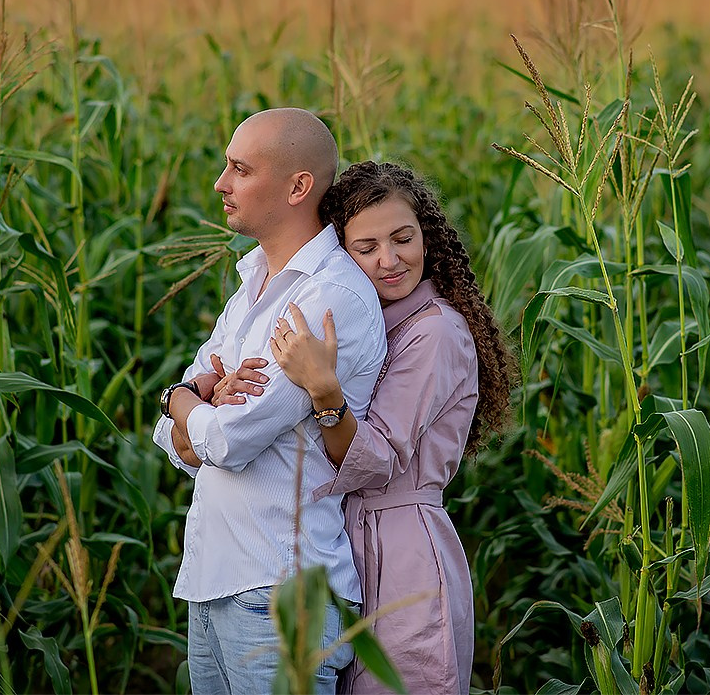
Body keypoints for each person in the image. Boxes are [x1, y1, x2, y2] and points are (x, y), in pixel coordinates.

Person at [212, 161, 512, 694]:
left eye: (403, 238)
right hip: (348, 545)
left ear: (429, 235)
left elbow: (374, 463)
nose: (389, 261)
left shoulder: (436, 331)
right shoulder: (372, 320)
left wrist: (323, 388)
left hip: (401, 554)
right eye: (366, 248)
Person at [152, 109, 387, 695]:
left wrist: (182, 402)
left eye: (240, 169)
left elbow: (230, 441)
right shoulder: (253, 280)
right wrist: (186, 402)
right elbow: (182, 435)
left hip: (281, 592)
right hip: (215, 579)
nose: (220, 184)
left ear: (298, 186)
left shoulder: (327, 297)